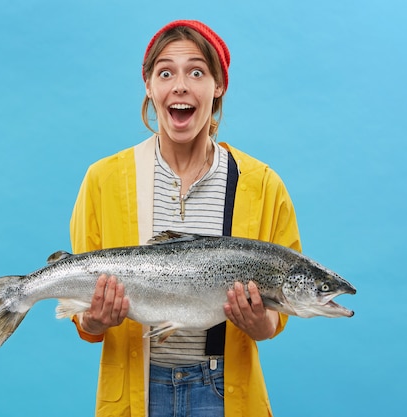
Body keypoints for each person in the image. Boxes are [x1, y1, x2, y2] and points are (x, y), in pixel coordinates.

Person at [69, 19, 301, 417]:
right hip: (137, 389)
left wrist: (260, 324)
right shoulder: (103, 180)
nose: (180, 85)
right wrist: (93, 319)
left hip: (224, 391)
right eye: (165, 72)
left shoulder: (263, 186)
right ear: (149, 86)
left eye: (197, 71)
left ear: (218, 86)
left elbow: (275, 319)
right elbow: (83, 317)